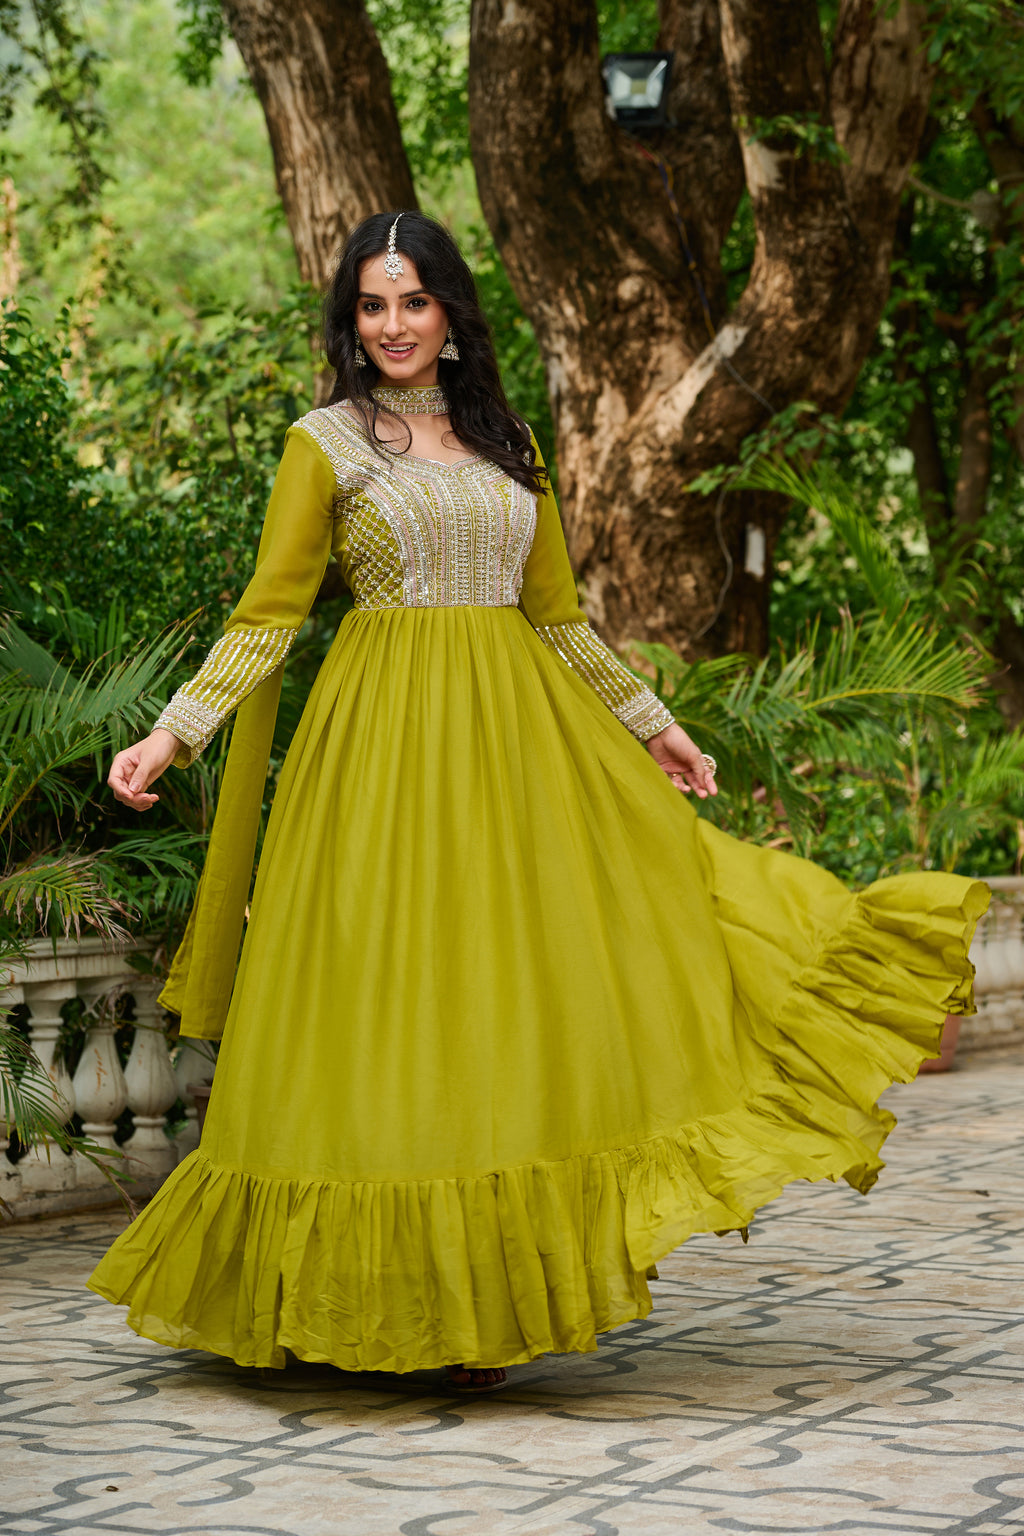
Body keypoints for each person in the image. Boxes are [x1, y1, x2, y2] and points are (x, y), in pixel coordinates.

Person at [89, 210, 988, 1394]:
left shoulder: (509, 440)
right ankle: (365, 1299)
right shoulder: (325, 443)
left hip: (520, 755)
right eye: (372, 305)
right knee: (391, 1010)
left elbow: (557, 617)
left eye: (414, 301)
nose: (394, 325)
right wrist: (173, 730)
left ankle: (483, 1311)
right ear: (351, 322)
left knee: (502, 1013)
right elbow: (270, 617)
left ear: (454, 314)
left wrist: (655, 726)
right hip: (381, 760)